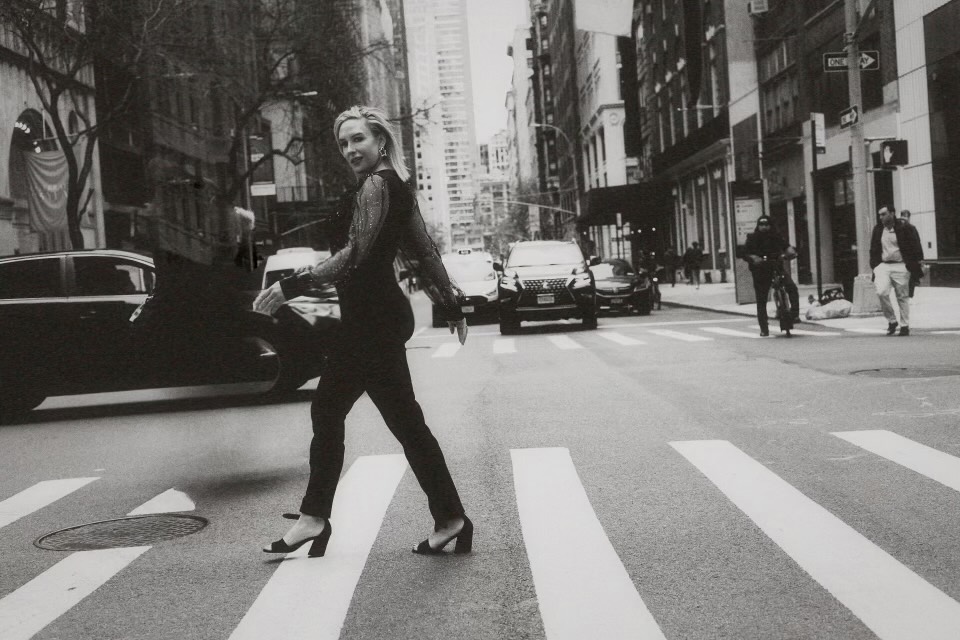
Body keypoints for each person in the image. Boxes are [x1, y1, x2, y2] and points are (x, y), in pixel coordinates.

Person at [253, 105, 472, 557]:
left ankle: (317, 519)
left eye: (358, 139)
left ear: (380, 141)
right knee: (400, 424)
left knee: (335, 412)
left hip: (372, 325)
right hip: (375, 321)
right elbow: (423, 252)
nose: (350, 149)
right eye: (344, 143)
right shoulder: (395, 187)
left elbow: (356, 254)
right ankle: (450, 517)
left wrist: (290, 284)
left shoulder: (377, 185)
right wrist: (450, 304)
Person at [742, 215, 800, 337]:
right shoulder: (752, 238)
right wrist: (753, 258)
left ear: (770, 225)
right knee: (761, 298)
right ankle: (764, 327)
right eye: (761, 225)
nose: (764, 227)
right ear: (758, 226)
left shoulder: (776, 236)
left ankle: (794, 314)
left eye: (766, 225)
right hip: (761, 270)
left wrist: (790, 253)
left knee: (791, 287)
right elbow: (745, 253)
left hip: (776, 266)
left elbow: (786, 247)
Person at [870, 205, 924, 336]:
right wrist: (875, 265)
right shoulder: (878, 229)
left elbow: (916, 246)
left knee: (902, 296)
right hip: (883, 265)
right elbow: (873, 248)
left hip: (901, 265)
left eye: (883, 214)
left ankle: (904, 326)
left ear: (892, 214)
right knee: (881, 292)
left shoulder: (905, 228)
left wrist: (916, 264)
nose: (881, 217)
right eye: (880, 215)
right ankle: (892, 320)